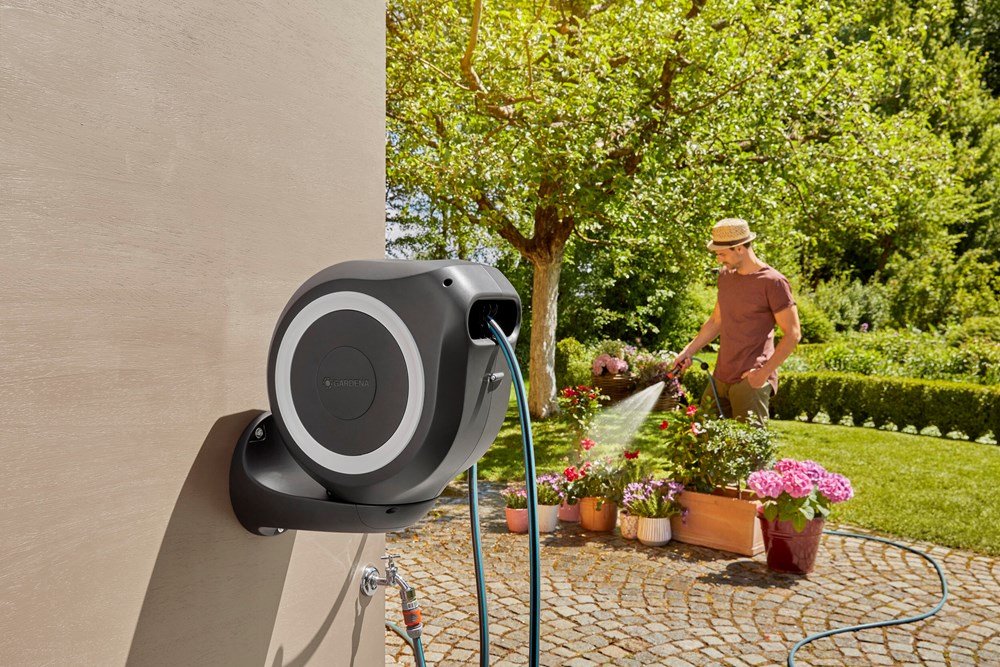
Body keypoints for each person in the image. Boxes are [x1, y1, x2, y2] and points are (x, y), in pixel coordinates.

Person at [673, 218, 801, 423]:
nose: (719, 260)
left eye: (722, 254)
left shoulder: (773, 282)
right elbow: (716, 320)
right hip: (720, 377)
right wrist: (688, 351)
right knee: (701, 436)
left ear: (740, 248)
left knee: (748, 442)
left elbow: (793, 334)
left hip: (750, 379)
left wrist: (763, 374)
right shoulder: (726, 276)